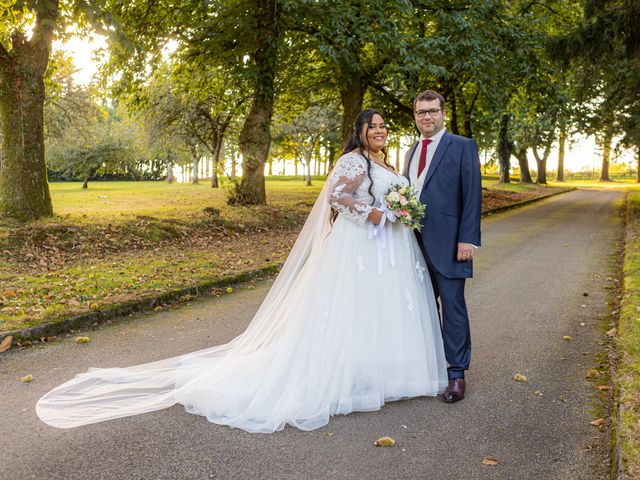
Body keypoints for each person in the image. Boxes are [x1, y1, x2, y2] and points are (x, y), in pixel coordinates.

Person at [37, 109, 448, 434]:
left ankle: (382, 374)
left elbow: (394, 198)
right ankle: (348, 378)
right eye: (371, 126)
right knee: (352, 310)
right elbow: (338, 198)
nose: (378, 131)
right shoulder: (353, 161)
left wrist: (399, 212)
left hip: (390, 249)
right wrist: (376, 212)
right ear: (358, 131)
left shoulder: (388, 162)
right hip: (361, 245)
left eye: (382, 126)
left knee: (382, 312)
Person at [403, 90, 482, 403]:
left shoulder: (462, 146)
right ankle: (428, 367)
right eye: (421, 112)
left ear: (443, 113)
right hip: (414, 245)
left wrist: (468, 238)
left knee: (453, 307)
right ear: (415, 116)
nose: (427, 117)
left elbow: (472, 195)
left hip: (451, 243)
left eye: (432, 111)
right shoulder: (410, 151)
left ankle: (456, 374)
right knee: (420, 308)